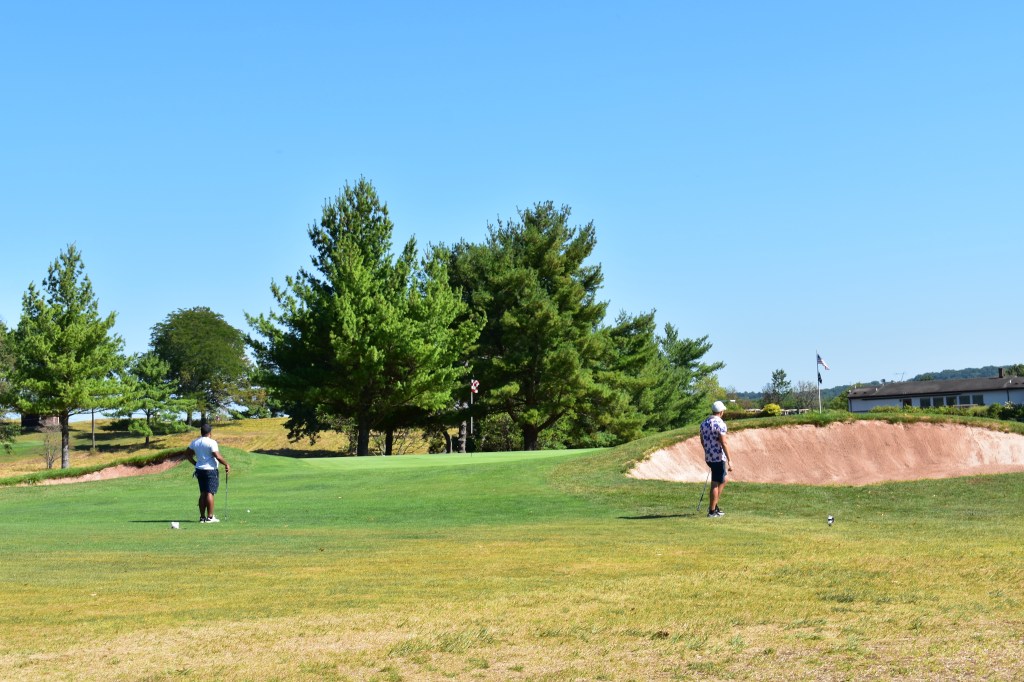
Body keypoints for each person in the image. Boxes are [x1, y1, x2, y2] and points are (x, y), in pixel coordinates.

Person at [183, 423, 231, 523]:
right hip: (210, 470)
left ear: (201, 432)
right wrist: (226, 464)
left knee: (203, 493)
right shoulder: (211, 442)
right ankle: (210, 517)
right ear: (210, 433)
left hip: (199, 470)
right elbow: (217, 456)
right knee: (210, 492)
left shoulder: (195, 442)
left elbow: (187, 454)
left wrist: (195, 463)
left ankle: (202, 517)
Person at [699, 400, 733, 518]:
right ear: (721, 411)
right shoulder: (720, 424)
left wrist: (708, 451)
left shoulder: (704, 423)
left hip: (709, 457)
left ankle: (714, 505)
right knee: (715, 482)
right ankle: (712, 511)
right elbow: (724, 442)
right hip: (718, 457)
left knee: (724, 479)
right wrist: (730, 460)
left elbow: (702, 440)